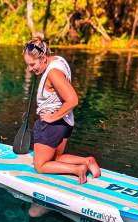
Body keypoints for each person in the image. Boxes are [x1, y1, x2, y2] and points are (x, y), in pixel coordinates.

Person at [22, 34, 100, 185]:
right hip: (65, 122)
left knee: (41, 165)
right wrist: (37, 39)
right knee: (55, 159)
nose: (30, 69)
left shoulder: (53, 73)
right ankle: (87, 161)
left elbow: (73, 99)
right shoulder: (57, 60)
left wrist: (51, 117)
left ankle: (78, 170)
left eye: (32, 64)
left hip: (52, 124)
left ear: (43, 58)